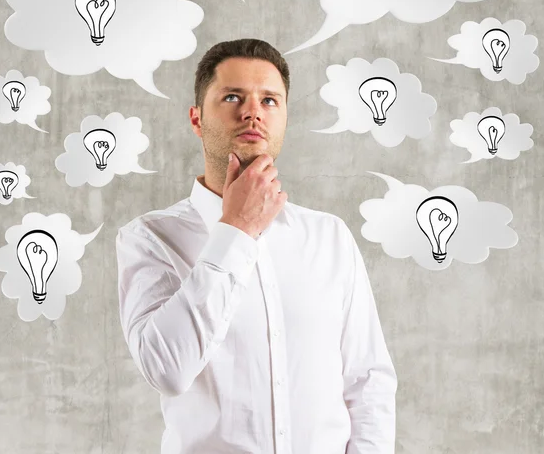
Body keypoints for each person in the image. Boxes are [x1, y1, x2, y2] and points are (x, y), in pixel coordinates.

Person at [116, 38, 397, 454]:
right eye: (232, 96)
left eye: (270, 100)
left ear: (284, 118)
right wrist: (236, 229)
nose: (252, 112)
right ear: (196, 119)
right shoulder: (151, 238)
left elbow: (367, 381)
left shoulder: (329, 237)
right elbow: (167, 370)